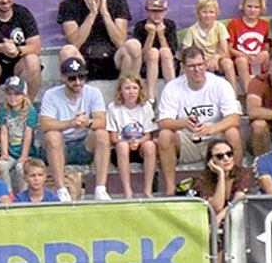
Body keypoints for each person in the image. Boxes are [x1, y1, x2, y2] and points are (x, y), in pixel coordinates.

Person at [156, 47, 243, 196]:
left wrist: (211, 129)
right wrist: (183, 123)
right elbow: (163, 122)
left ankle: (236, 183)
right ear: (183, 67)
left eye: (200, 65)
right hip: (187, 139)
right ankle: (170, 189)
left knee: (233, 133)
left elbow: (234, 118)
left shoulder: (220, 84)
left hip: (215, 139)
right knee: (164, 136)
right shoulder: (172, 87)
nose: (197, 70)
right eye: (191, 66)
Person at [57, 0, 137, 82]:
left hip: (113, 58)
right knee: (67, 51)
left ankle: (128, 91)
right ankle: (75, 96)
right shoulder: (69, 5)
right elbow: (75, 43)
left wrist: (104, 12)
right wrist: (92, 14)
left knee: (133, 45)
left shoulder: (118, 3)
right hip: (84, 59)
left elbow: (120, 41)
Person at [40, 58, 107, 201]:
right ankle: (61, 190)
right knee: (52, 136)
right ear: (63, 78)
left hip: (84, 144)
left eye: (81, 77)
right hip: (60, 146)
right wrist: (70, 123)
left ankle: (100, 189)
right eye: (72, 78)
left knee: (102, 135)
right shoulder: (51, 95)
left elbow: (101, 122)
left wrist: (87, 122)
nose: (78, 82)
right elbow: (45, 125)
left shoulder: (93, 93)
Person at [106, 74, 158, 199]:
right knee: (122, 146)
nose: (131, 92)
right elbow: (113, 137)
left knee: (150, 146)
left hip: (139, 146)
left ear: (140, 89)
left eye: (135, 88)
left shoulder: (145, 107)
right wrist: (127, 143)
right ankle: (128, 191)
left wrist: (138, 142)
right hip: (121, 149)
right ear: (121, 91)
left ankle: (148, 190)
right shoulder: (113, 108)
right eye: (127, 88)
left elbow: (148, 134)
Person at [182, 0, 238, 94]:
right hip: (200, 62)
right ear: (198, 13)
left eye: (211, 12)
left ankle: (234, 96)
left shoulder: (219, 27)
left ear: (216, 14)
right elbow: (185, 52)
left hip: (216, 62)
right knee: (185, 67)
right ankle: (184, 94)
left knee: (228, 63)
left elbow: (226, 52)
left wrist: (216, 57)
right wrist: (201, 62)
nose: (208, 15)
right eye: (204, 12)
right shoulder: (192, 30)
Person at [192, 137, 252, 228]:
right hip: (211, 223)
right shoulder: (203, 179)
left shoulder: (242, 173)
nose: (226, 158)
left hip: (237, 222)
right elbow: (217, 207)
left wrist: (218, 219)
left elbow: (237, 201)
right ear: (211, 161)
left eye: (229, 154)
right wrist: (221, 175)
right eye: (220, 156)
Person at [130, 0, 177, 100]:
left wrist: (161, 34)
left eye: (160, 11)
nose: (157, 15)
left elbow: (171, 52)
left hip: (167, 64)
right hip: (147, 65)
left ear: (165, 11)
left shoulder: (169, 24)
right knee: (153, 52)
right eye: (153, 11)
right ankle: (151, 97)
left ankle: (174, 93)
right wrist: (151, 35)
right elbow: (141, 55)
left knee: (164, 51)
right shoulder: (140, 26)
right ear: (147, 11)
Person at [0, 76, 38, 193]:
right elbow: (4, 133)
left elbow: (28, 134)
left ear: (24, 95)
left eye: (17, 94)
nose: (13, 97)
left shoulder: (30, 111)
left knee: (21, 168)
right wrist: (4, 152)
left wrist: (24, 155)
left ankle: (23, 193)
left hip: (26, 152)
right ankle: (7, 193)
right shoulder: (4, 111)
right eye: (9, 94)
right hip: (10, 151)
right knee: (2, 165)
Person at [228, 0, 270, 96]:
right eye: (249, 6)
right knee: (241, 60)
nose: (252, 10)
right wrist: (242, 55)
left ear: (261, 9)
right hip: (242, 62)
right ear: (243, 6)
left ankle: (270, 94)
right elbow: (229, 48)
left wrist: (265, 53)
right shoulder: (235, 24)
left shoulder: (265, 25)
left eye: (256, 7)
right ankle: (249, 94)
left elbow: (267, 47)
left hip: (258, 60)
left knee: (271, 59)